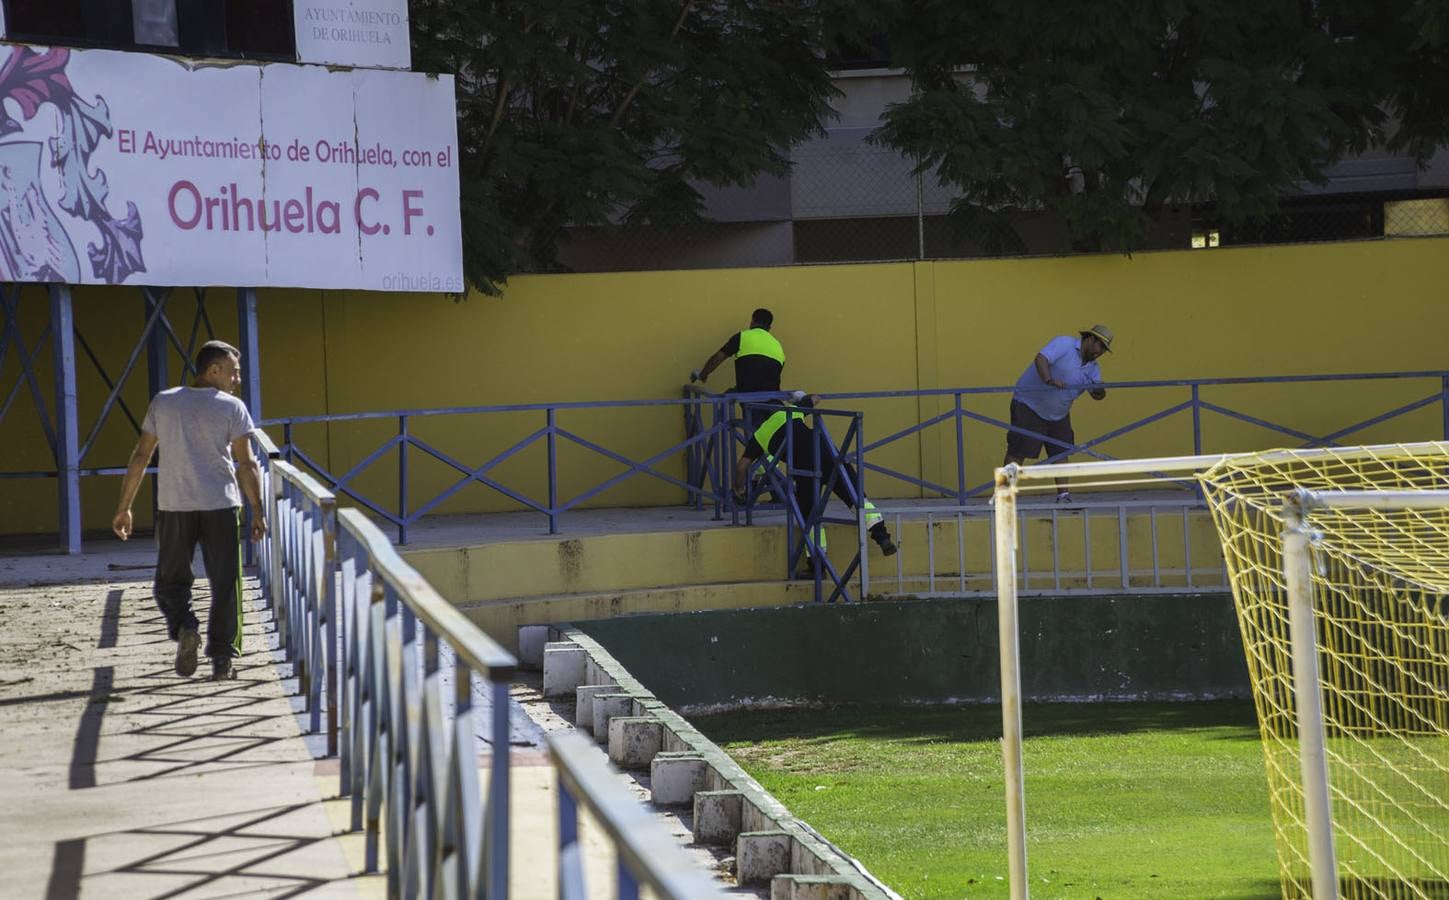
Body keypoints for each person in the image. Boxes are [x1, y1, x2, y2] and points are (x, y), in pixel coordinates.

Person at [112, 340, 267, 682]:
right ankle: (223, 661)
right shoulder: (232, 407)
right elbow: (247, 462)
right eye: (233, 371)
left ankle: (186, 627)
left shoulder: (164, 402)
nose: (236, 379)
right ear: (213, 370)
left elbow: (141, 456)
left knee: (170, 583)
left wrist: (124, 508)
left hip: (174, 506)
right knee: (227, 585)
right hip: (222, 506)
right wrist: (258, 510)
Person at [735, 392, 896, 571]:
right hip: (828, 451)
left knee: (809, 515)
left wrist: (738, 490)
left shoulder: (760, 435)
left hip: (805, 467)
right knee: (856, 497)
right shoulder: (790, 411)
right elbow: (814, 398)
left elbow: (742, 466)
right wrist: (799, 396)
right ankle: (882, 536)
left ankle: (817, 564)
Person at [1003, 324, 1114, 504]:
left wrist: (1098, 390)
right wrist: (1049, 380)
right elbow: (1041, 359)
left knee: (1061, 452)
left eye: (1104, 349)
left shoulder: (1094, 368)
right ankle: (1004, 495)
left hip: (1058, 413)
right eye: (1100, 346)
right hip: (1029, 404)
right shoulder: (1065, 344)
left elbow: (1098, 394)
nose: (1100, 351)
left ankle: (1063, 496)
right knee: (1018, 451)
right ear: (1090, 339)